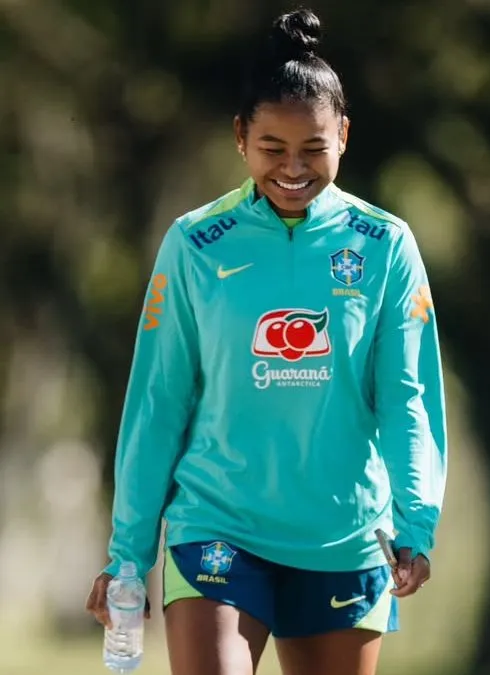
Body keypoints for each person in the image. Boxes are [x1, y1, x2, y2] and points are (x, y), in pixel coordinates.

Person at [84, 8, 448, 675]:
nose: (292, 168)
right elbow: (158, 403)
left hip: (343, 538)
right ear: (239, 138)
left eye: (313, 148)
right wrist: (127, 555)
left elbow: (407, 396)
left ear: (343, 134)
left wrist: (416, 523)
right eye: (272, 148)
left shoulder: (385, 244)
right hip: (217, 524)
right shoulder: (194, 242)